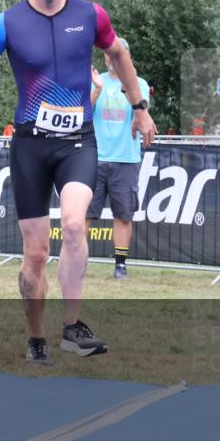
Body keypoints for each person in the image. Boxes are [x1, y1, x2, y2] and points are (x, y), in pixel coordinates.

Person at [0, 0, 156, 365]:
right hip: (30, 144)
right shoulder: (8, 22)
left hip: (77, 143)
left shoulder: (90, 15)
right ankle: (36, 339)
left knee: (73, 225)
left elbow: (119, 56)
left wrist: (138, 108)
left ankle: (72, 326)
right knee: (35, 253)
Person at [87, 38, 150, 279]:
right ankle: (78, 263)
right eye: (108, 54)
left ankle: (120, 265)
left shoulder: (139, 84)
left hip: (126, 158)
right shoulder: (96, 80)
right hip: (94, 158)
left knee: (123, 215)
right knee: (85, 214)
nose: (112, 58)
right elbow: (83, 112)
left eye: (118, 54)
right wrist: (97, 89)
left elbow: (142, 111)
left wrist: (126, 81)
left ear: (127, 56)